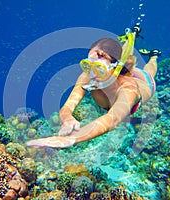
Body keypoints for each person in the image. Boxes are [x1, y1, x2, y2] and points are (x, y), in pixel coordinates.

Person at [26, 25, 161, 148]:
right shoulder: (88, 75)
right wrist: (67, 118)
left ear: (115, 68)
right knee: (123, 53)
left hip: (143, 82)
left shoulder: (128, 89)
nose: (92, 73)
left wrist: (72, 139)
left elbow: (111, 120)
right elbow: (67, 107)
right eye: (88, 64)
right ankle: (133, 35)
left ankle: (153, 56)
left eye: (99, 68)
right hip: (117, 70)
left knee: (149, 72)